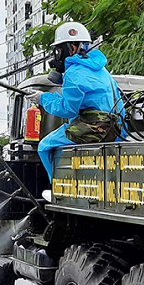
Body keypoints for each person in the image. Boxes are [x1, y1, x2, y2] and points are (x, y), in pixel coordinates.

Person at [28, 21, 122, 186]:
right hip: (118, 129)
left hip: (96, 128)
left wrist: (42, 99)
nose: (57, 56)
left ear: (71, 48)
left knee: (44, 147)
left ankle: (57, 190)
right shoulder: (101, 69)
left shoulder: (74, 73)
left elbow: (68, 110)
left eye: (58, 51)